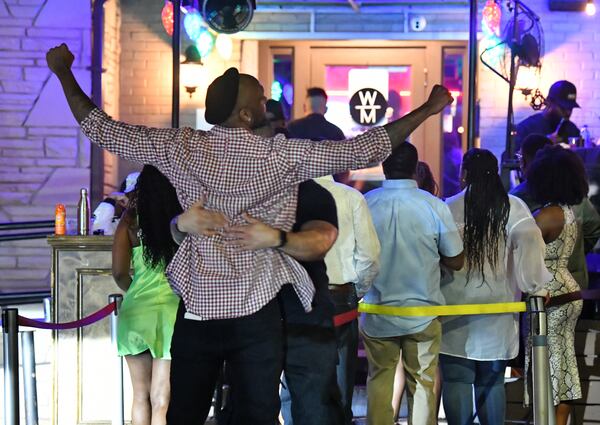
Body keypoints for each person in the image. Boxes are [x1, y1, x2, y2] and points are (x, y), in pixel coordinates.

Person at [46, 42, 453, 424]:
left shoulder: (179, 146)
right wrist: (428, 109)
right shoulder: (282, 155)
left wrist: (64, 73)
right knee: (255, 413)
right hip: (258, 312)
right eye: (260, 98)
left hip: (197, 309)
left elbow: (101, 128)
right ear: (245, 115)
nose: (267, 103)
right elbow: (365, 149)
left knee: (183, 412)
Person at [175, 178, 344, 425]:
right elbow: (189, 238)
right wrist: (179, 224)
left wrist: (276, 238)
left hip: (300, 313)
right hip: (248, 315)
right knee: (250, 406)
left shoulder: (306, 191)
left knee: (312, 403)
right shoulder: (230, 192)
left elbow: (319, 242)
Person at [439, 149, 551, 425]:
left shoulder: (447, 207)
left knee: (457, 378)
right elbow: (530, 243)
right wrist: (535, 286)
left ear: (464, 174)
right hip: (499, 313)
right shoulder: (514, 207)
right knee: (492, 380)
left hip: (454, 313)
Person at [361, 142, 464, 425]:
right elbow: (456, 260)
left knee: (379, 379)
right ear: (414, 169)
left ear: (383, 166)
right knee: (422, 384)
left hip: (378, 312)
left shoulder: (367, 203)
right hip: (423, 312)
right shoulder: (432, 205)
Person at [112, 165, 182, 425]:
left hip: (135, 312)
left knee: (139, 395)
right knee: (162, 398)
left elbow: (119, 273)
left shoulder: (129, 222)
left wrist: (137, 292)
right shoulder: (180, 219)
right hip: (171, 312)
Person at [525, 145, 589, 425]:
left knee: (546, 366)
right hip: (569, 292)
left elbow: (524, 255)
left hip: (549, 298)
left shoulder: (546, 215)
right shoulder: (568, 211)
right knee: (562, 365)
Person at [310, 174, 380, 425]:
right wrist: (357, 290)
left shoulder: (288, 192)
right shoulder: (351, 197)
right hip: (340, 294)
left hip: (298, 297)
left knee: (298, 378)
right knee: (340, 381)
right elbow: (369, 256)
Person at [511, 135, 600, 290]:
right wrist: (574, 253)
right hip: (575, 283)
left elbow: (515, 251)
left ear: (525, 161)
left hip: (541, 289)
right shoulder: (574, 198)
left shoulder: (517, 199)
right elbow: (593, 227)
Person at [512, 80, 581, 154]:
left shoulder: (572, 130)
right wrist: (543, 144)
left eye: (570, 108)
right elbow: (511, 159)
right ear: (549, 102)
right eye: (563, 108)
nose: (568, 112)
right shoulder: (526, 128)